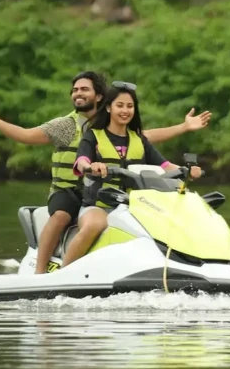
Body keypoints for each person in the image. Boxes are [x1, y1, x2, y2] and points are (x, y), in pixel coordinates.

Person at [0, 72, 211, 273]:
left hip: (111, 192)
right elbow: (25, 135)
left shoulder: (114, 123)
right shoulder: (66, 126)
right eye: (75, 90)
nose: (78, 93)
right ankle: (42, 273)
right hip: (70, 189)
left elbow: (143, 141)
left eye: (84, 89)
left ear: (99, 96)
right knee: (62, 215)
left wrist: (184, 130)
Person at [61, 83, 202, 268]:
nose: (125, 110)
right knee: (95, 225)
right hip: (98, 206)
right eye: (120, 105)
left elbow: (166, 165)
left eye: (130, 106)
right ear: (109, 107)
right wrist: (91, 166)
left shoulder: (139, 140)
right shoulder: (93, 136)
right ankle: (63, 272)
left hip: (134, 208)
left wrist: (188, 171)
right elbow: (82, 161)